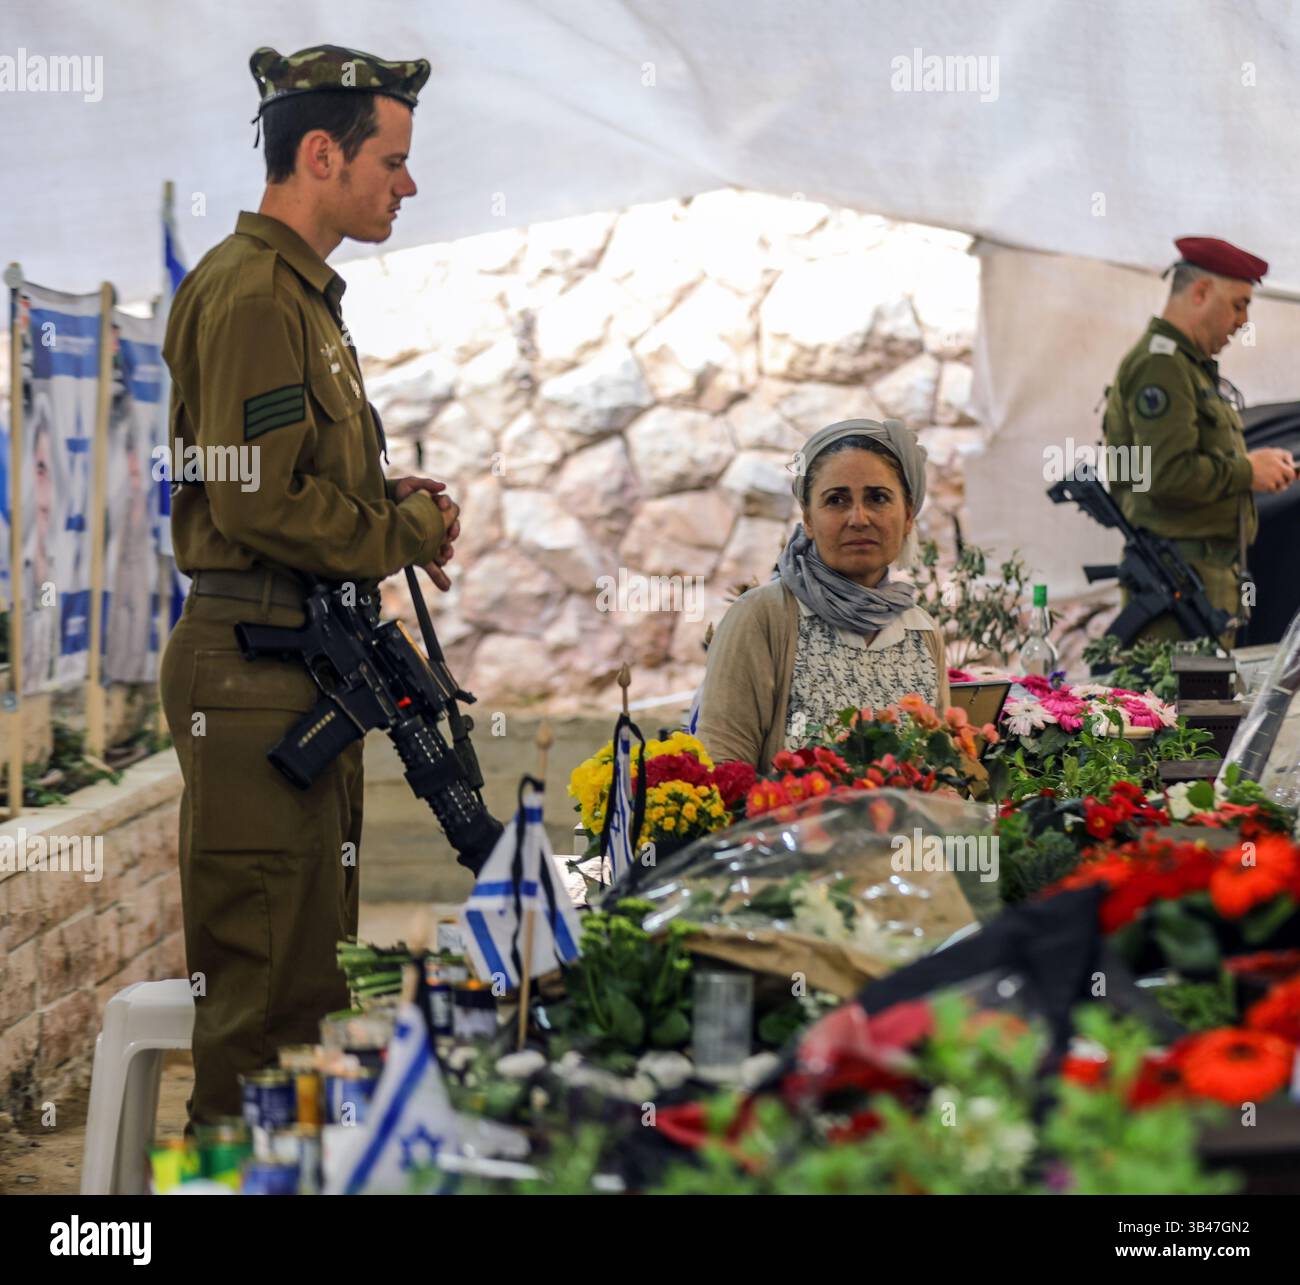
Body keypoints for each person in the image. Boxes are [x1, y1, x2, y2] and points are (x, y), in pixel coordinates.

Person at [159, 44, 460, 1128]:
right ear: (321, 153)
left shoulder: (299, 297)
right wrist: (404, 528)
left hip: (294, 670)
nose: (407, 184)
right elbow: (252, 504)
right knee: (262, 1008)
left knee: (309, 984)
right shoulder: (251, 296)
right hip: (253, 671)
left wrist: (379, 496)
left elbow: (282, 477)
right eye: (392, 159)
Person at [697, 418, 949, 773]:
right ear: (809, 520)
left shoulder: (921, 632)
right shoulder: (763, 617)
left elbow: (940, 773)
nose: (859, 518)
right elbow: (723, 770)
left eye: (878, 498)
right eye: (836, 500)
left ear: (908, 515)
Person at [1102, 236, 1297, 647]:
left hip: (1202, 581)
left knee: (1205, 710)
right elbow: (1166, 475)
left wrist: (1254, 465)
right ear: (1201, 292)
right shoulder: (1162, 366)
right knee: (1177, 709)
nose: (1243, 320)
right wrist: (1248, 470)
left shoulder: (1187, 367)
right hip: (1174, 587)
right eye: (1239, 303)